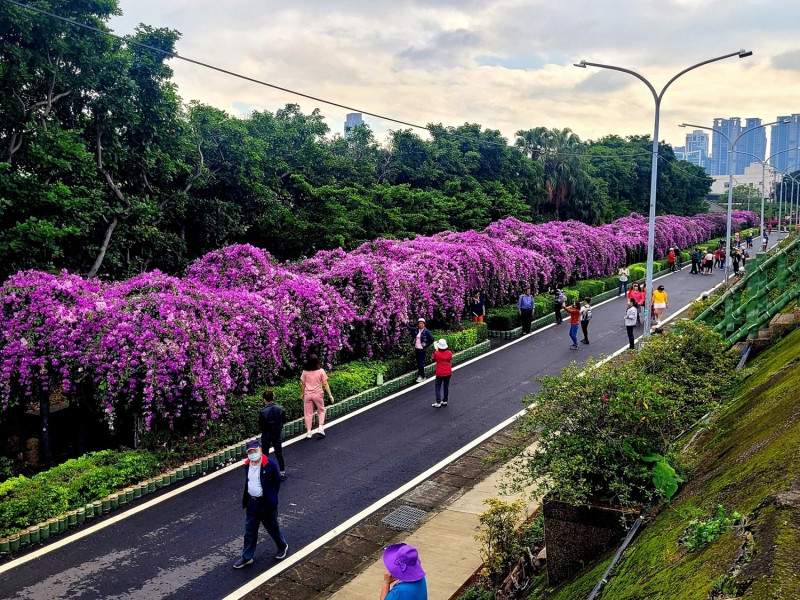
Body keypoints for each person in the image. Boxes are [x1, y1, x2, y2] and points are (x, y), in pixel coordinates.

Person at [232, 440, 289, 569]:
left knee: (272, 528)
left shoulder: (270, 465)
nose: (253, 454)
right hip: (252, 503)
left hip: (266, 503)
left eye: (255, 451)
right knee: (250, 531)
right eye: (250, 452)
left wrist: (271, 498)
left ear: (260, 450)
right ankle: (247, 556)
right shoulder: (247, 464)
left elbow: (276, 483)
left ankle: (282, 545)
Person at [300, 354, 334, 439]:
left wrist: (302, 393)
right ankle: (320, 428)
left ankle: (308, 432)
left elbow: (303, 384)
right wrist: (330, 395)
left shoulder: (305, 371)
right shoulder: (321, 371)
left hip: (308, 394)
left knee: (308, 413)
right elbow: (325, 383)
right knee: (321, 410)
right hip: (318, 394)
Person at [259, 389, 287, 481]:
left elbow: (261, 426)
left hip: (266, 435)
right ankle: (282, 472)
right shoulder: (280, 409)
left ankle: (266, 473)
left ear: (264, 400)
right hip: (276, 434)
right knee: (279, 453)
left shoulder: (263, 412)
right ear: (273, 398)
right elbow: (283, 421)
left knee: (265, 454)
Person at [431, 339, 452, 408]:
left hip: (440, 373)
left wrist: (436, 351)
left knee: (437, 387)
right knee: (446, 386)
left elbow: (433, 359)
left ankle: (438, 402)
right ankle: (445, 401)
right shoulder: (449, 352)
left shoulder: (436, 353)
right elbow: (450, 359)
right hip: (448, 372)